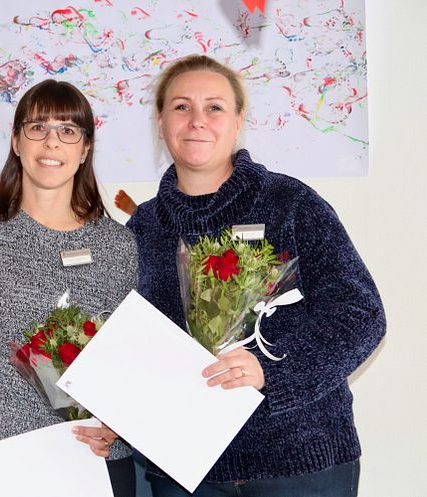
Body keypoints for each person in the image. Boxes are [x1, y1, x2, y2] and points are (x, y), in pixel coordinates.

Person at [127, 54, 385, 497]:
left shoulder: (291, 204)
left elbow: (361, 314)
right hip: (185, 470)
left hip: (300, 463)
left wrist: (272, 370)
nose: (197, 121)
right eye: (182, 106)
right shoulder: (144, 227)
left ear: (238, 120)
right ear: (161, 120)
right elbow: (132, 345)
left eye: (215, 107)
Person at [0, 79, 138, 497]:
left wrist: (116, 424)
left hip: (95, 459)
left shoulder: (118, 245)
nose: (51, 143)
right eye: (37, 128)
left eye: (68, 131)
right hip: (0, 460)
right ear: (17, 141)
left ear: (85, 148)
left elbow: (132, 356)